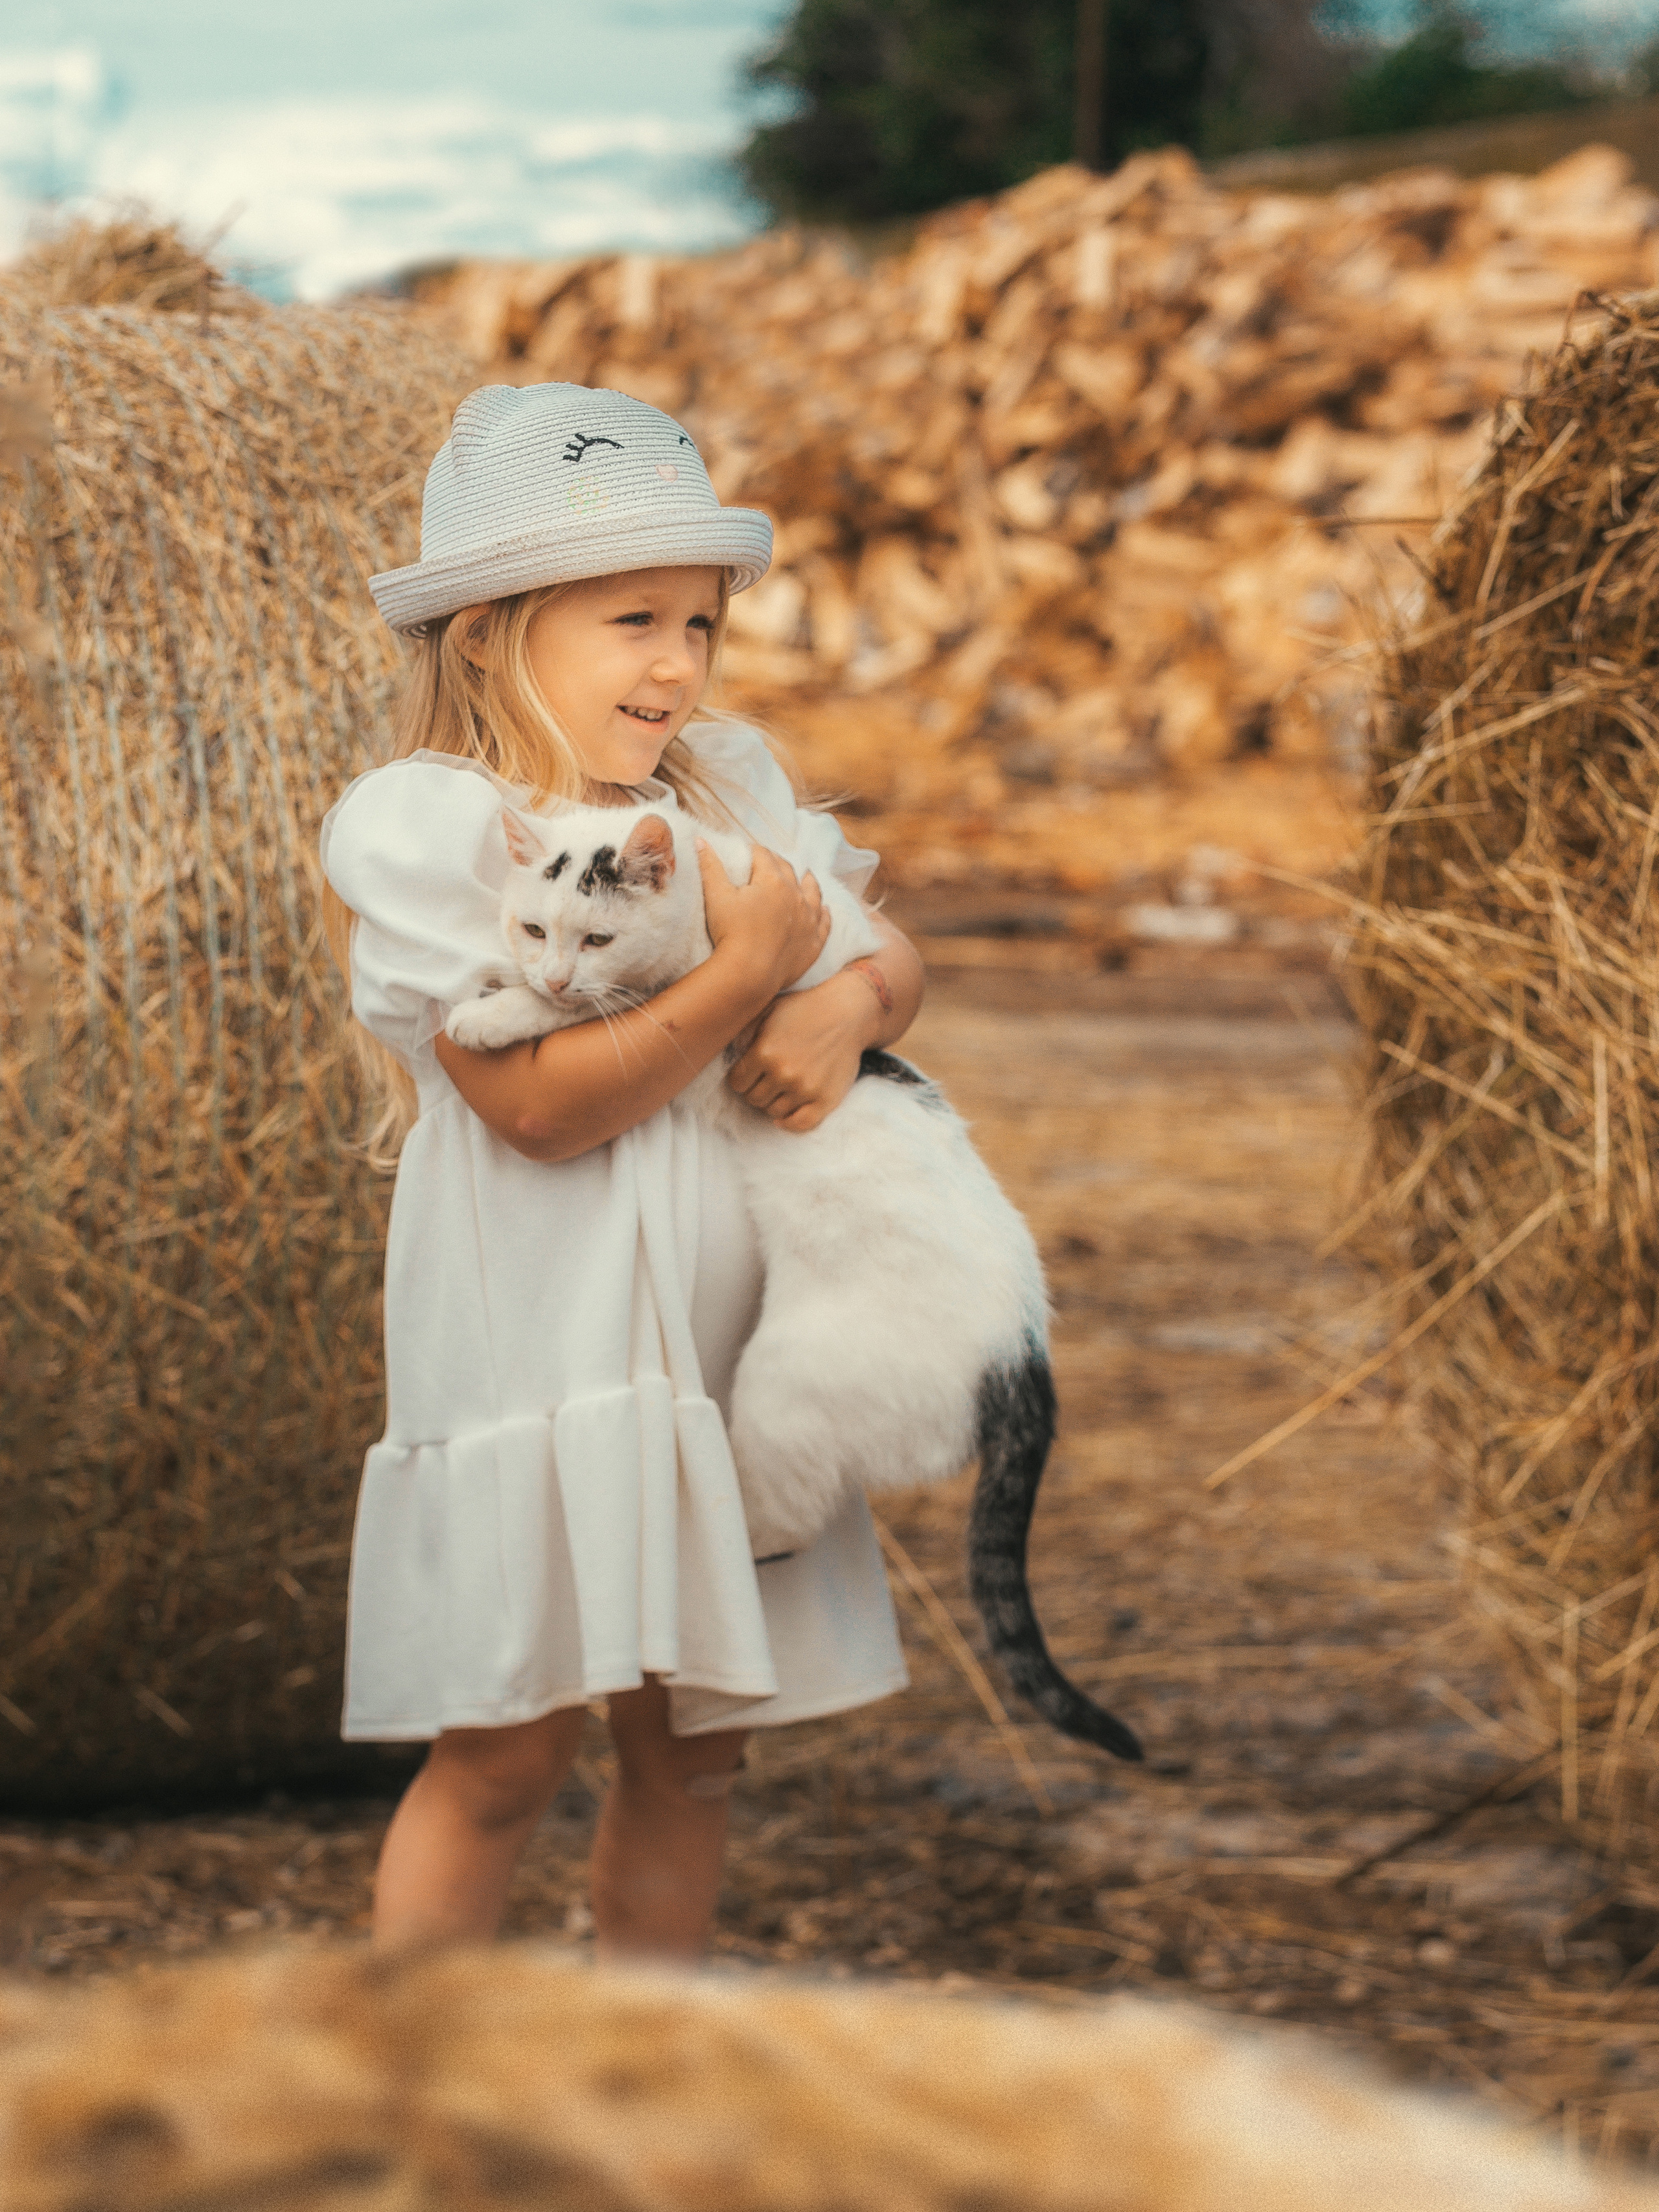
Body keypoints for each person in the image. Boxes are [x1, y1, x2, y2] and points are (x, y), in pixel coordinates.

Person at [320, 382, 924, 1958]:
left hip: (725, 1355)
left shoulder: (724, 792)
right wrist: (743, 985)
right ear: (490, 632)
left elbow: (881, 951)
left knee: (693, 1754)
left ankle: (628, 2099)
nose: (677, 663)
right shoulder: (438, 826)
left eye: (700, 625)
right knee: (507, 1748)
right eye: (631, 620)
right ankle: (401, 2107)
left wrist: (849, 1003)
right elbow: (535, 1111)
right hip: (546, 1342)